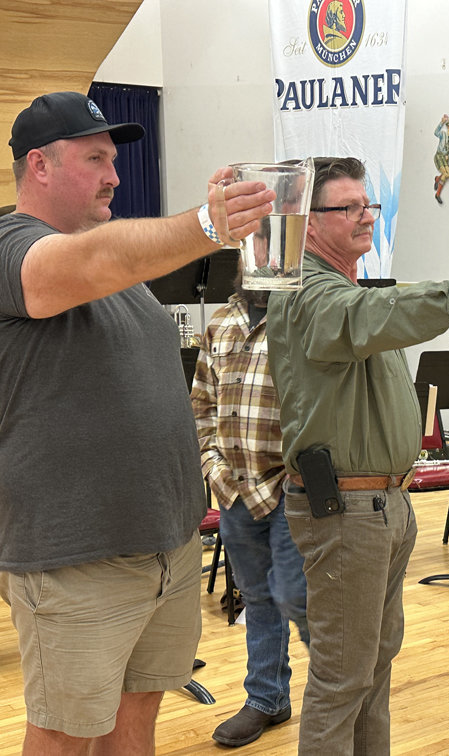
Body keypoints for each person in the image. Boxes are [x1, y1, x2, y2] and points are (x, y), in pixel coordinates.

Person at [0, 91, 273, 754]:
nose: (115, 177)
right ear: (39, 165)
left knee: (137, 717)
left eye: (115, 161)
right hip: (76, 556)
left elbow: (115, 257)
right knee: (63, 734)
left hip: (166, 545)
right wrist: (206, 224)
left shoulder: (114, 260)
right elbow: (96, 260)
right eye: (95, 159)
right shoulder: (12, 246)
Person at [266, 156, 449, 755]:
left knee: (372, 670)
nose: (366, 217)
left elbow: (378, 314)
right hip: (347, 513)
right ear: (308, 222)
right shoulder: (307, 293)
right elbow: (374, 314)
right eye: (349, 207)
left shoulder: (348, 293)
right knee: (341, 679)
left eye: (369, 205)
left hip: (382, 506)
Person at [190, 268, 310, 748]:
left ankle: (339, 697)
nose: (261, 262)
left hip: (291, 485)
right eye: (252, 253)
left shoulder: (302, 317)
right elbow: (201, 404)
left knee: (302, 599)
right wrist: (213, 468)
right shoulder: (221, 323)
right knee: (258, 598)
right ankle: (267, 698)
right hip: (235, 489)